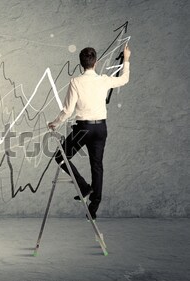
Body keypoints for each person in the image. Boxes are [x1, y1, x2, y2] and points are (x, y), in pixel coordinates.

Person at [48, 44, 131, 220]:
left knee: (60, 157)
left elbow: (68, 110)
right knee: (97, 165)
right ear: (96, 62)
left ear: (80, 63)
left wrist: (55, 123)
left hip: (84, 128)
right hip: (100, 128)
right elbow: (124, 79)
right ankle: (94, 206)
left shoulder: (75, 82)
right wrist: (127, 59)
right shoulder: (104, 79)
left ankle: (84, 187)